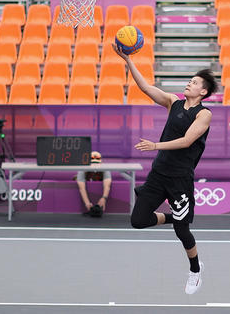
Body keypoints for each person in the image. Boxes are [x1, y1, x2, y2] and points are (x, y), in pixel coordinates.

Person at [113, 43, 217, 295]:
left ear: (203, 91)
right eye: (189, 81)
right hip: (159, 174)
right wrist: (128, 61)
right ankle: (173, 216)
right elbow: (145, 87)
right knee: (138, 221)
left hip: (180, 179)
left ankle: (195, 270)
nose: (188, 84)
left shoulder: (204, 115)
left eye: (194, 82)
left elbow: (186, 141)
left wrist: (155, 145)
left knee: (183, 232)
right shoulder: (173, 102)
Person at [76, 151, 111, 217]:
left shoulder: (105, 169)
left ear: (101, 162)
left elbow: (107, 186)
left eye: (96, 163)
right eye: (92, 163)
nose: (94, 165)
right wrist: (87, 203)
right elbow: (81, 188)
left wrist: (104, 198)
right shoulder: (82, 169)